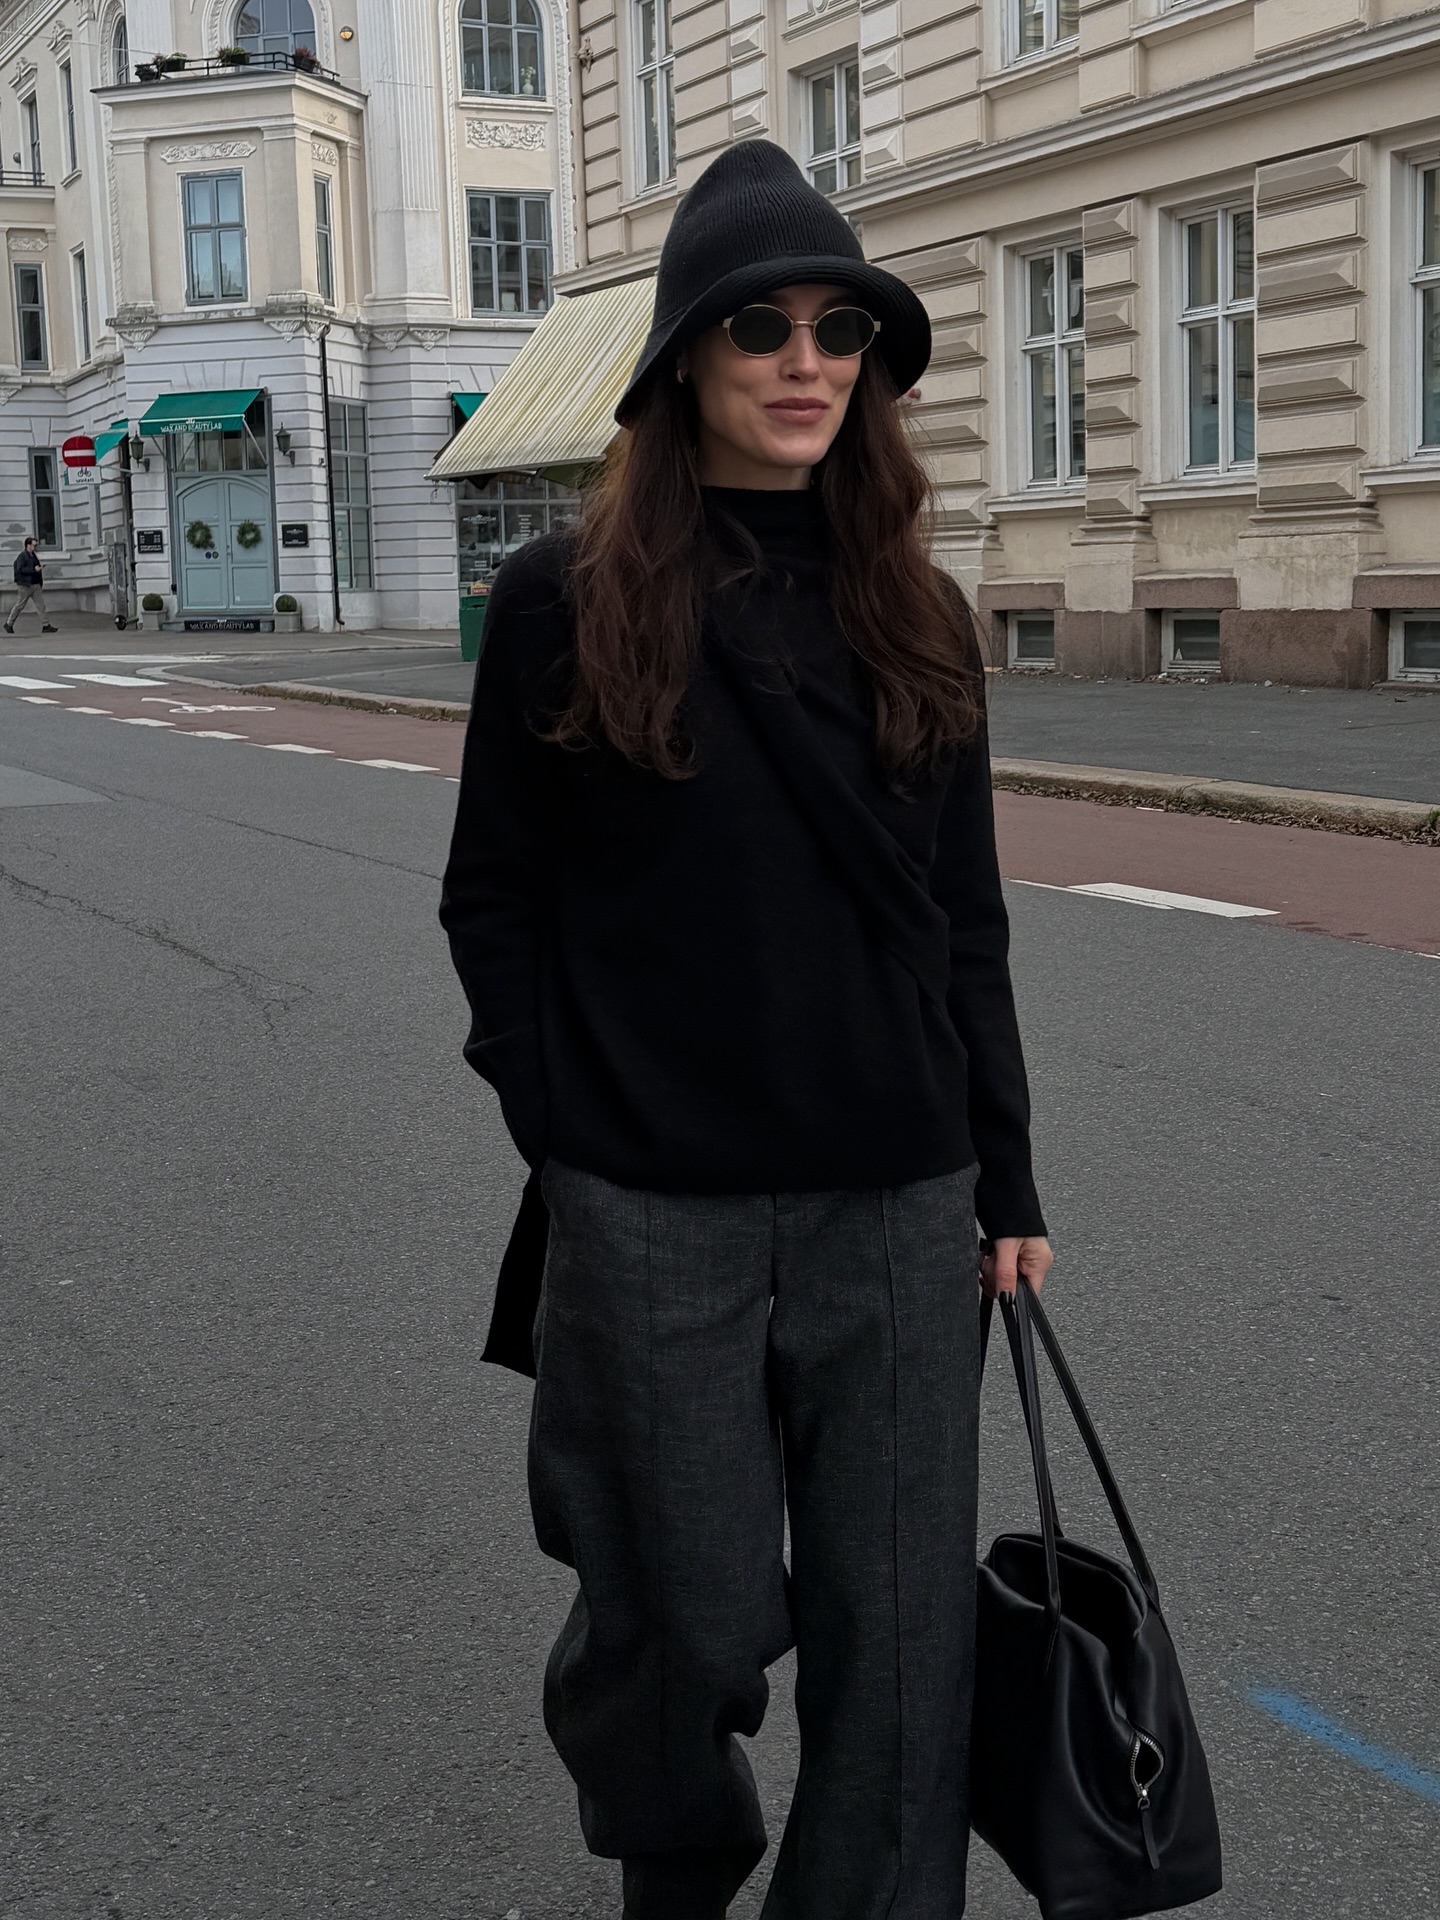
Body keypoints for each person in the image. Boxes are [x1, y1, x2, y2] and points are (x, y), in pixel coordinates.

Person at [440, 137, 1053, 1920]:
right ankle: (679, 1858)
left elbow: (966, 922)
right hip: (652, 1207)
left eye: (841, 330)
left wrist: (1005, 1179)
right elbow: (496, 895)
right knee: (677, 1605)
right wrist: (563, 1120)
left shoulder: (916, 613)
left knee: (896, 1627)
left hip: (891, 1198)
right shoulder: (569, 598)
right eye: (762, 326)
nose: (805, 361)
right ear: (687, 357)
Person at [6, 538, 57, 634]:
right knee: (20, 605)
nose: (35, 547)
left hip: (35, 585)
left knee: (41, 606)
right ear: (28, 545)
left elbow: (36, 567)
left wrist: (39, 577)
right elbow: (20, 570)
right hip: (25, 585)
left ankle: (46, 625)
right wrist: (34, 569)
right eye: (34, 545)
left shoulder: (33, 555)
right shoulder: (22, 556)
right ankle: (9, 624)